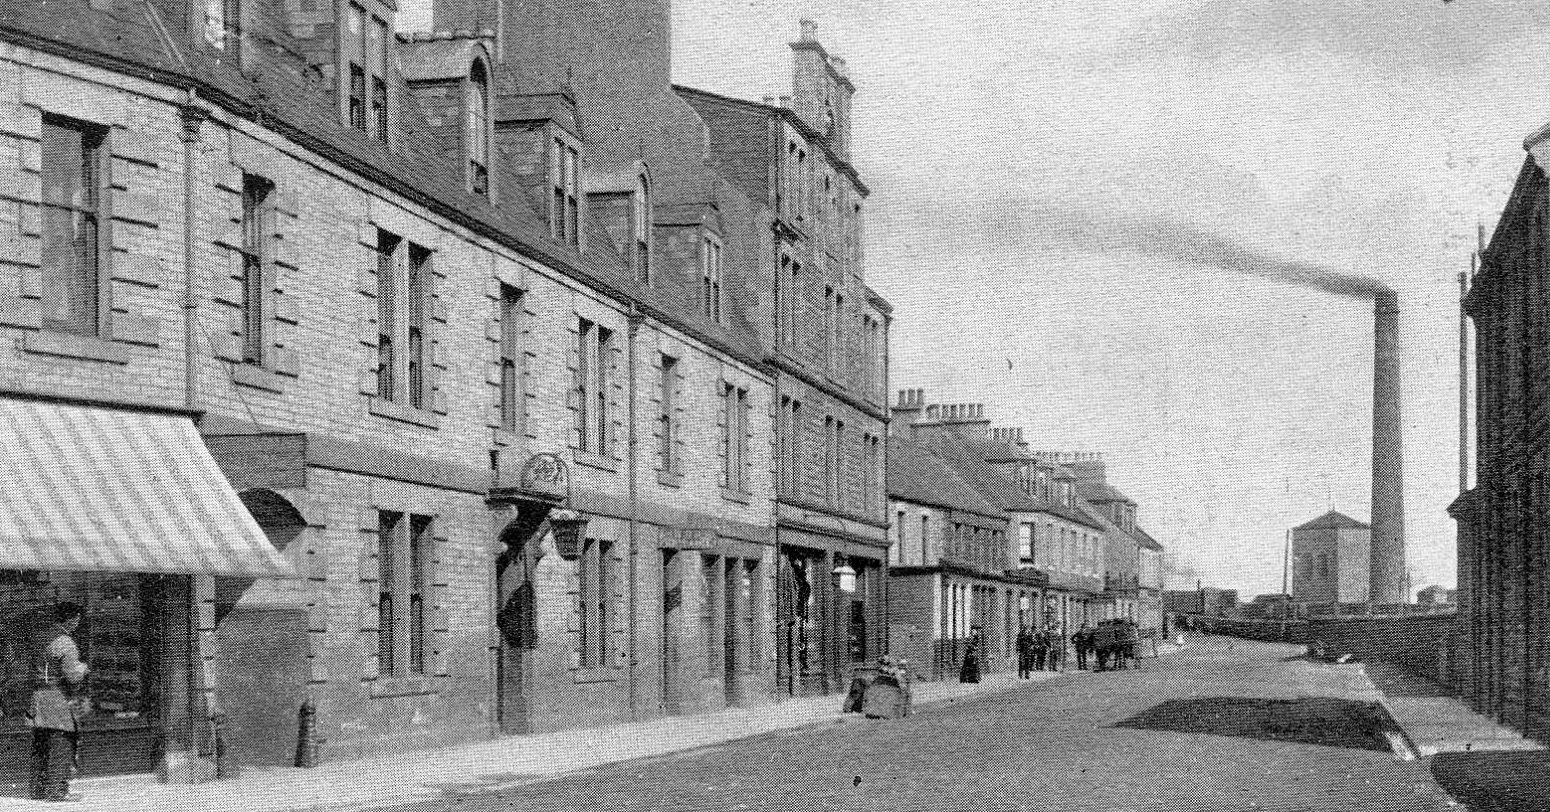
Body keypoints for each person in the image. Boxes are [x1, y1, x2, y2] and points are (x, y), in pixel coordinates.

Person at [30, 602, 88, 803]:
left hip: (37, 697)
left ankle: (38, 791)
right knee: (61, 744)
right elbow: (72, 675)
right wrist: (84, 668)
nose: (78, 624)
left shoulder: (41, 637)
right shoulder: (65, 642)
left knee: (41, 744)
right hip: (56, 698)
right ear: (71, 619)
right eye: (77, 620)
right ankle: (56, 791)